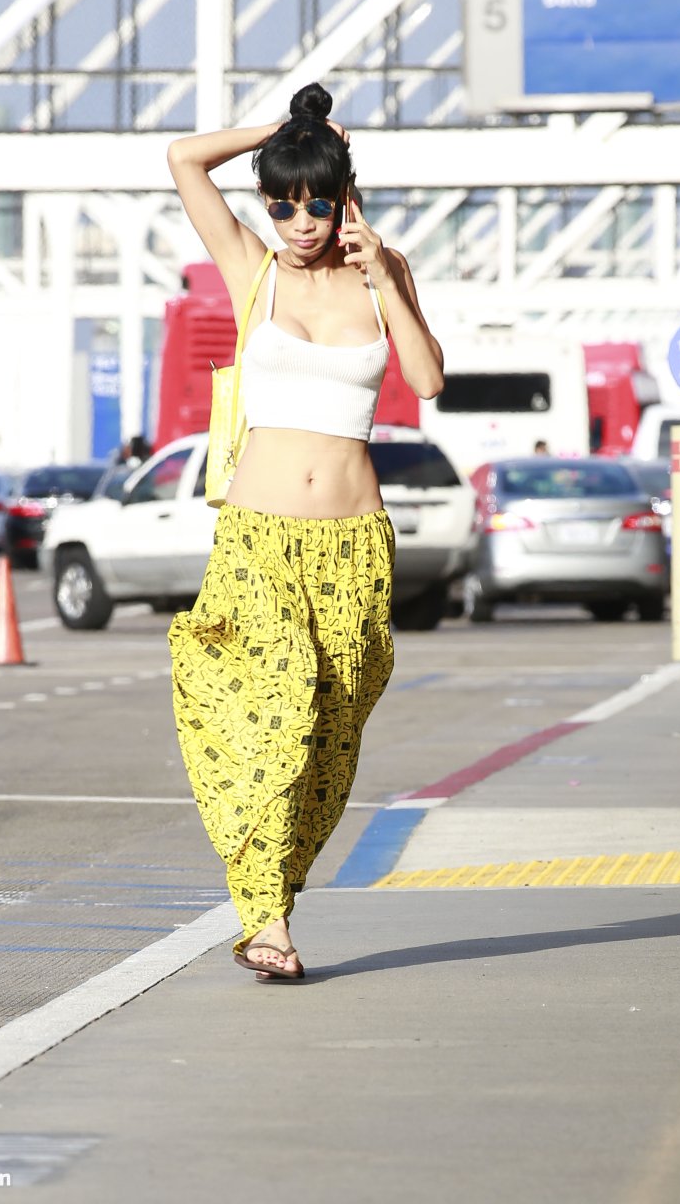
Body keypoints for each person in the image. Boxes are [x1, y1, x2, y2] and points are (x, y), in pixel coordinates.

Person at [166, 82, 444, 981]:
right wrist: (291, 131)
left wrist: (384, 273)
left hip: (353, 545)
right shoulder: (253, 269)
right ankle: (265, 920)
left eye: (315, 205)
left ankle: (273, 897)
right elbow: (183, 158)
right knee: (278, 720)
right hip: (258, 539)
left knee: (329, 742)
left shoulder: (382, 270)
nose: (298, 223)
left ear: (343, 198)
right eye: (281, 206)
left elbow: (428, 380)